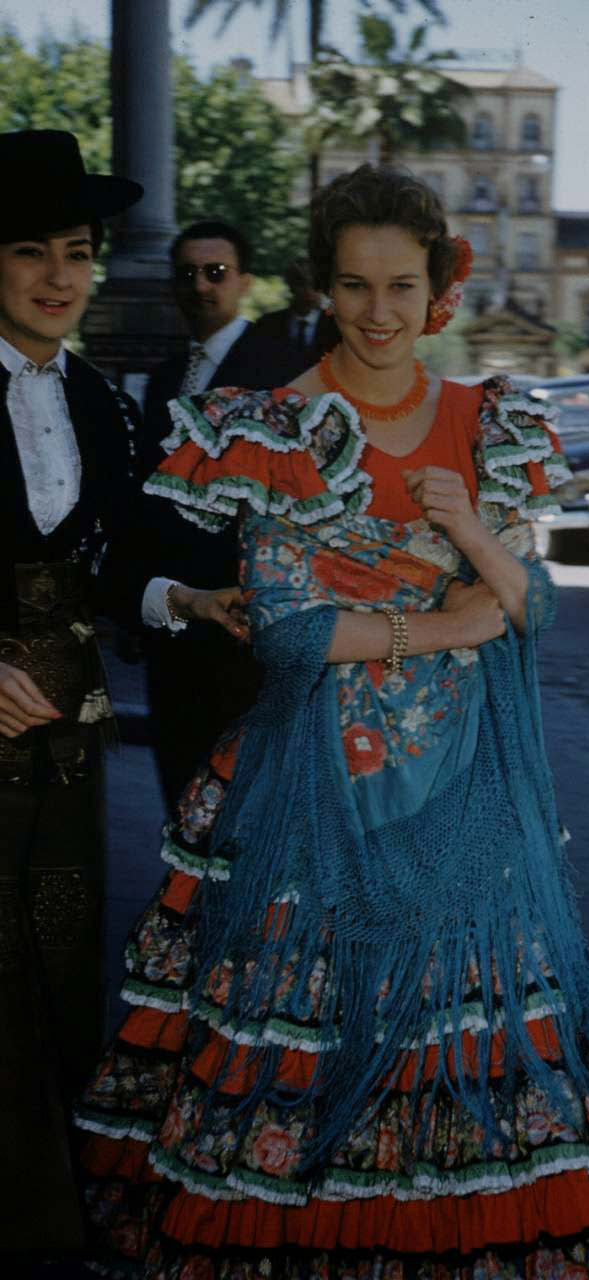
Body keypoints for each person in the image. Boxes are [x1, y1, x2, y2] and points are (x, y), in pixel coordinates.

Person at [76, 165, 589, 1278]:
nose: (378, 312)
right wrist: (446, 626)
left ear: (439, 286)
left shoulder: (490, 421)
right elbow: (287, 631)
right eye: (351, 286)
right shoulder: (274, 424)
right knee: (311, 1051)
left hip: (466, 791)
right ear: (320, 289)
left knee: (460, 1055)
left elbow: (530, 608)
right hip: (310, 787)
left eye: (400, 285)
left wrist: (475, 537)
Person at [0, 127, 145, 1255]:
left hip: (67, 743)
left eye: (80, 249)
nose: (61, 276)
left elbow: (128, 560)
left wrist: (188, 606)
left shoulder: (102, 401)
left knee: (60, 972)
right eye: (29, 251)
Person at [140, 220, 274, 809]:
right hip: (172, 624)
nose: (201, 285)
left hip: (246, 626)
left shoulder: (278, 368)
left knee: (238, 804)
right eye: (187, 274)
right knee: (177, 787)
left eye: (215, 272)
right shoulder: (167, 375)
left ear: (244, 281)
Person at [243, 256, 339, 385]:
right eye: (302, 283)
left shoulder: (336, 326)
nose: (309, 291)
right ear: (291, 285)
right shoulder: (268, 324)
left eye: (315, 284)